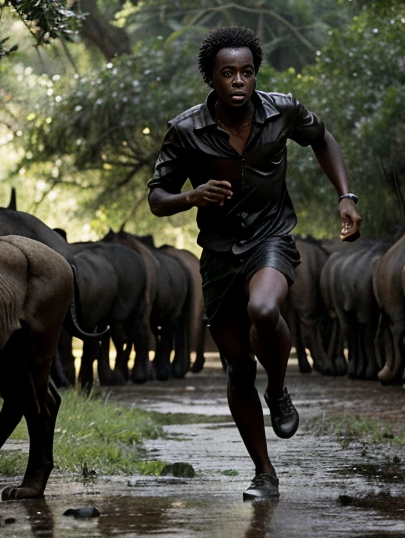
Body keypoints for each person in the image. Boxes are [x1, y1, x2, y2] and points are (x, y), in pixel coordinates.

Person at [146, 26, 361, 500]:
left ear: (255, 74)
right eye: (228, 73)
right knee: (239, 368)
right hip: (219, 253)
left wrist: (344, 196)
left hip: (271, 238)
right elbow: (156, 199)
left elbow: (322, 138)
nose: (239, 80)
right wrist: (191, 195)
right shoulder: (185, 130)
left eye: (246, 72)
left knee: (264, 310)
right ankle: (264, 472)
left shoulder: (282, 109)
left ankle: (279, 390)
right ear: (212, 78)